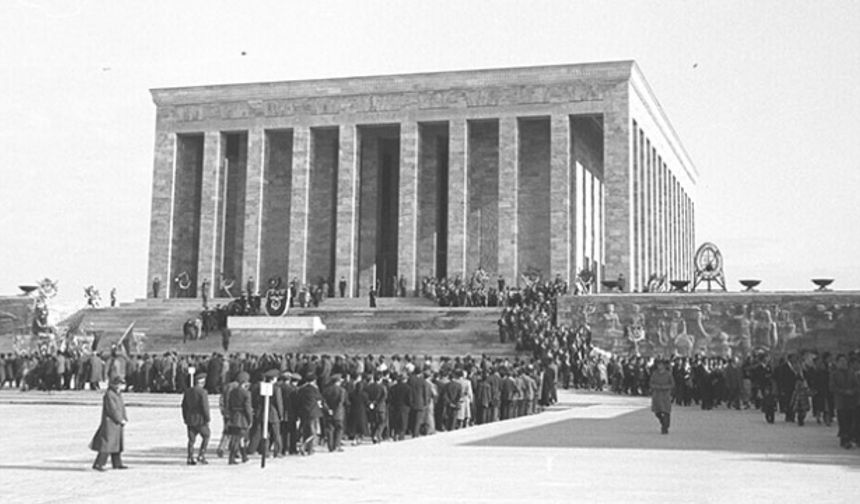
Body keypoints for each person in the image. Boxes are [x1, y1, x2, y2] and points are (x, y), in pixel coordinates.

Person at [90, 376, 128, 471]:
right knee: (107, 444)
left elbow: (121, 407)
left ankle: (117, 463)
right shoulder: (109, 394)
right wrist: (119, 419)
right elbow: (112, 409)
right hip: (110, 423)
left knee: (116, 444)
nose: (122, 386)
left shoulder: (118, 394)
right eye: (121, 384)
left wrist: (124, 417)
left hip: (117, 423)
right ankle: (99, 463)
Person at [181, 372, 211, 465]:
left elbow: (184, 406)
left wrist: (185, 417)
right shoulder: (203, 392)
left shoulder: (188, 391)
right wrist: (207, 418)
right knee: (206, 435)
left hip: (190, 419)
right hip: (200, 419)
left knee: (191, 440)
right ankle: (201, 455)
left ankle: (190, 457)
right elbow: (205, 406)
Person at [226, 372, 252, 464]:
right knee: (239, 439)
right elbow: (247, 408)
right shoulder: (246, 393)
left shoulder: (232, 392)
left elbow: (229, 404)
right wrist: (250, 419)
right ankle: (232, 457)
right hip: (242, 417)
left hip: (233, 416)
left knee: (237, 438)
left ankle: (244, 456)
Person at [649, 358, 675, 434]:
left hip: (665, 395)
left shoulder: (668, 374)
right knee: (657, 412)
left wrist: (665, 387)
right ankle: (663, 422)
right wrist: (656, 387)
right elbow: (651, 383)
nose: (659, 366)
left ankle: (665, 427)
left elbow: (672, 384)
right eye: (658, 365)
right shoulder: (654, 374)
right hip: (657, 395)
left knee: (666, 411)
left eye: (661, 365)